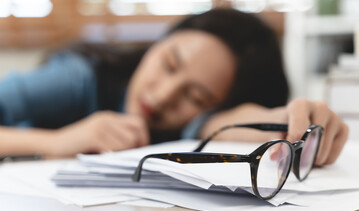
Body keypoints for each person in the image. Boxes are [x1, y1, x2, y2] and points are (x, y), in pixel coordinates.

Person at [0, 8, 348, 166]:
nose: (163, 95)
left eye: (195, 97)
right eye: (168, 63)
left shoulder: (188, 128)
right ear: (158, 42)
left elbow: (225, 125)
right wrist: (56, 142)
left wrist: (283, 120)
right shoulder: (82, 78)